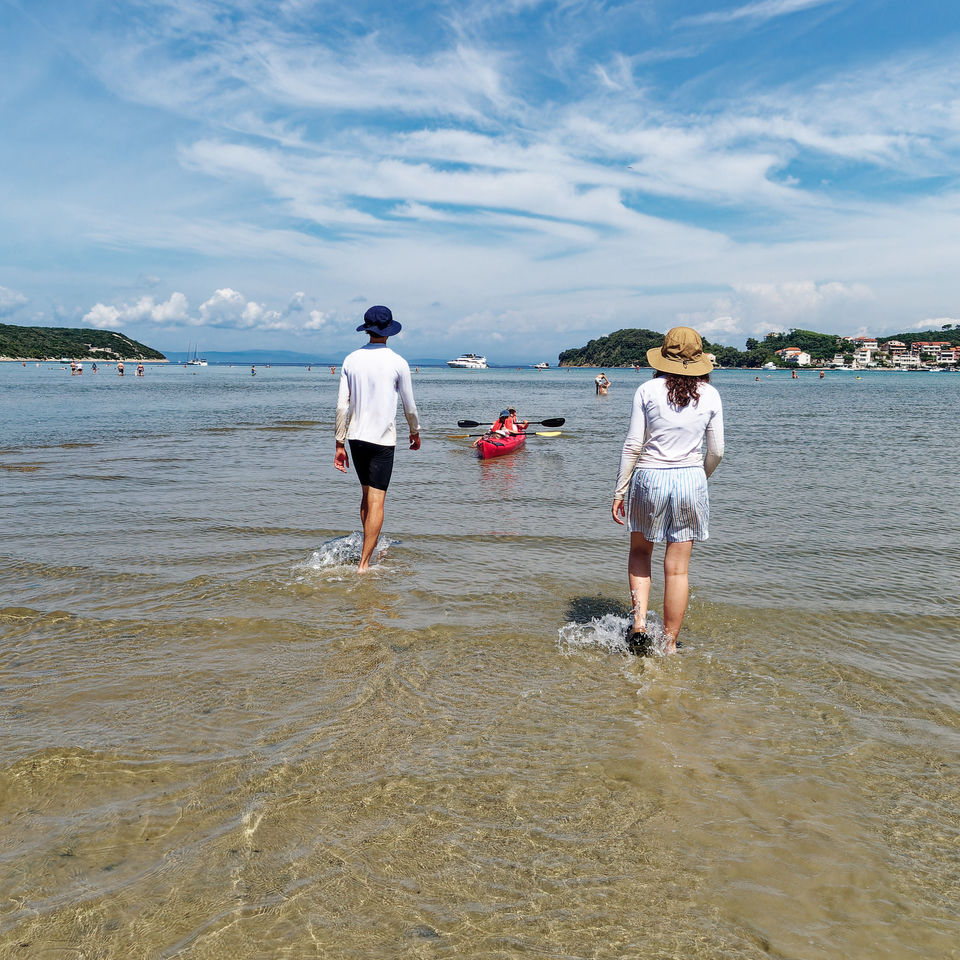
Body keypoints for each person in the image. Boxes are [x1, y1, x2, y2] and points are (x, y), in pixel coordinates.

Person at [611, 327, 724, 656]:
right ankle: (670, 644)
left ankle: (640, 626)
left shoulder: (647, 389)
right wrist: (698, 477)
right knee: (677, 569)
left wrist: (620, 490)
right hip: (691, 478)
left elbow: (633, 444)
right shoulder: (711, 395)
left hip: (649, 477)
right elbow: (716, 452)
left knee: (641, 553)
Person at [335, 305, 421, 572]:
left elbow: (342, 406)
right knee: (377, 500)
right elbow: (410, 406)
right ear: (389, 331)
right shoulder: (398, 362)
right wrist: (415, 431)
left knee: (366, 496)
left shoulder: (351, 359)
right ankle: (364, 564)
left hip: (355, 437)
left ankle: (367, 548)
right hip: (383, 439)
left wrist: (339, 443)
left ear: (367, 329)